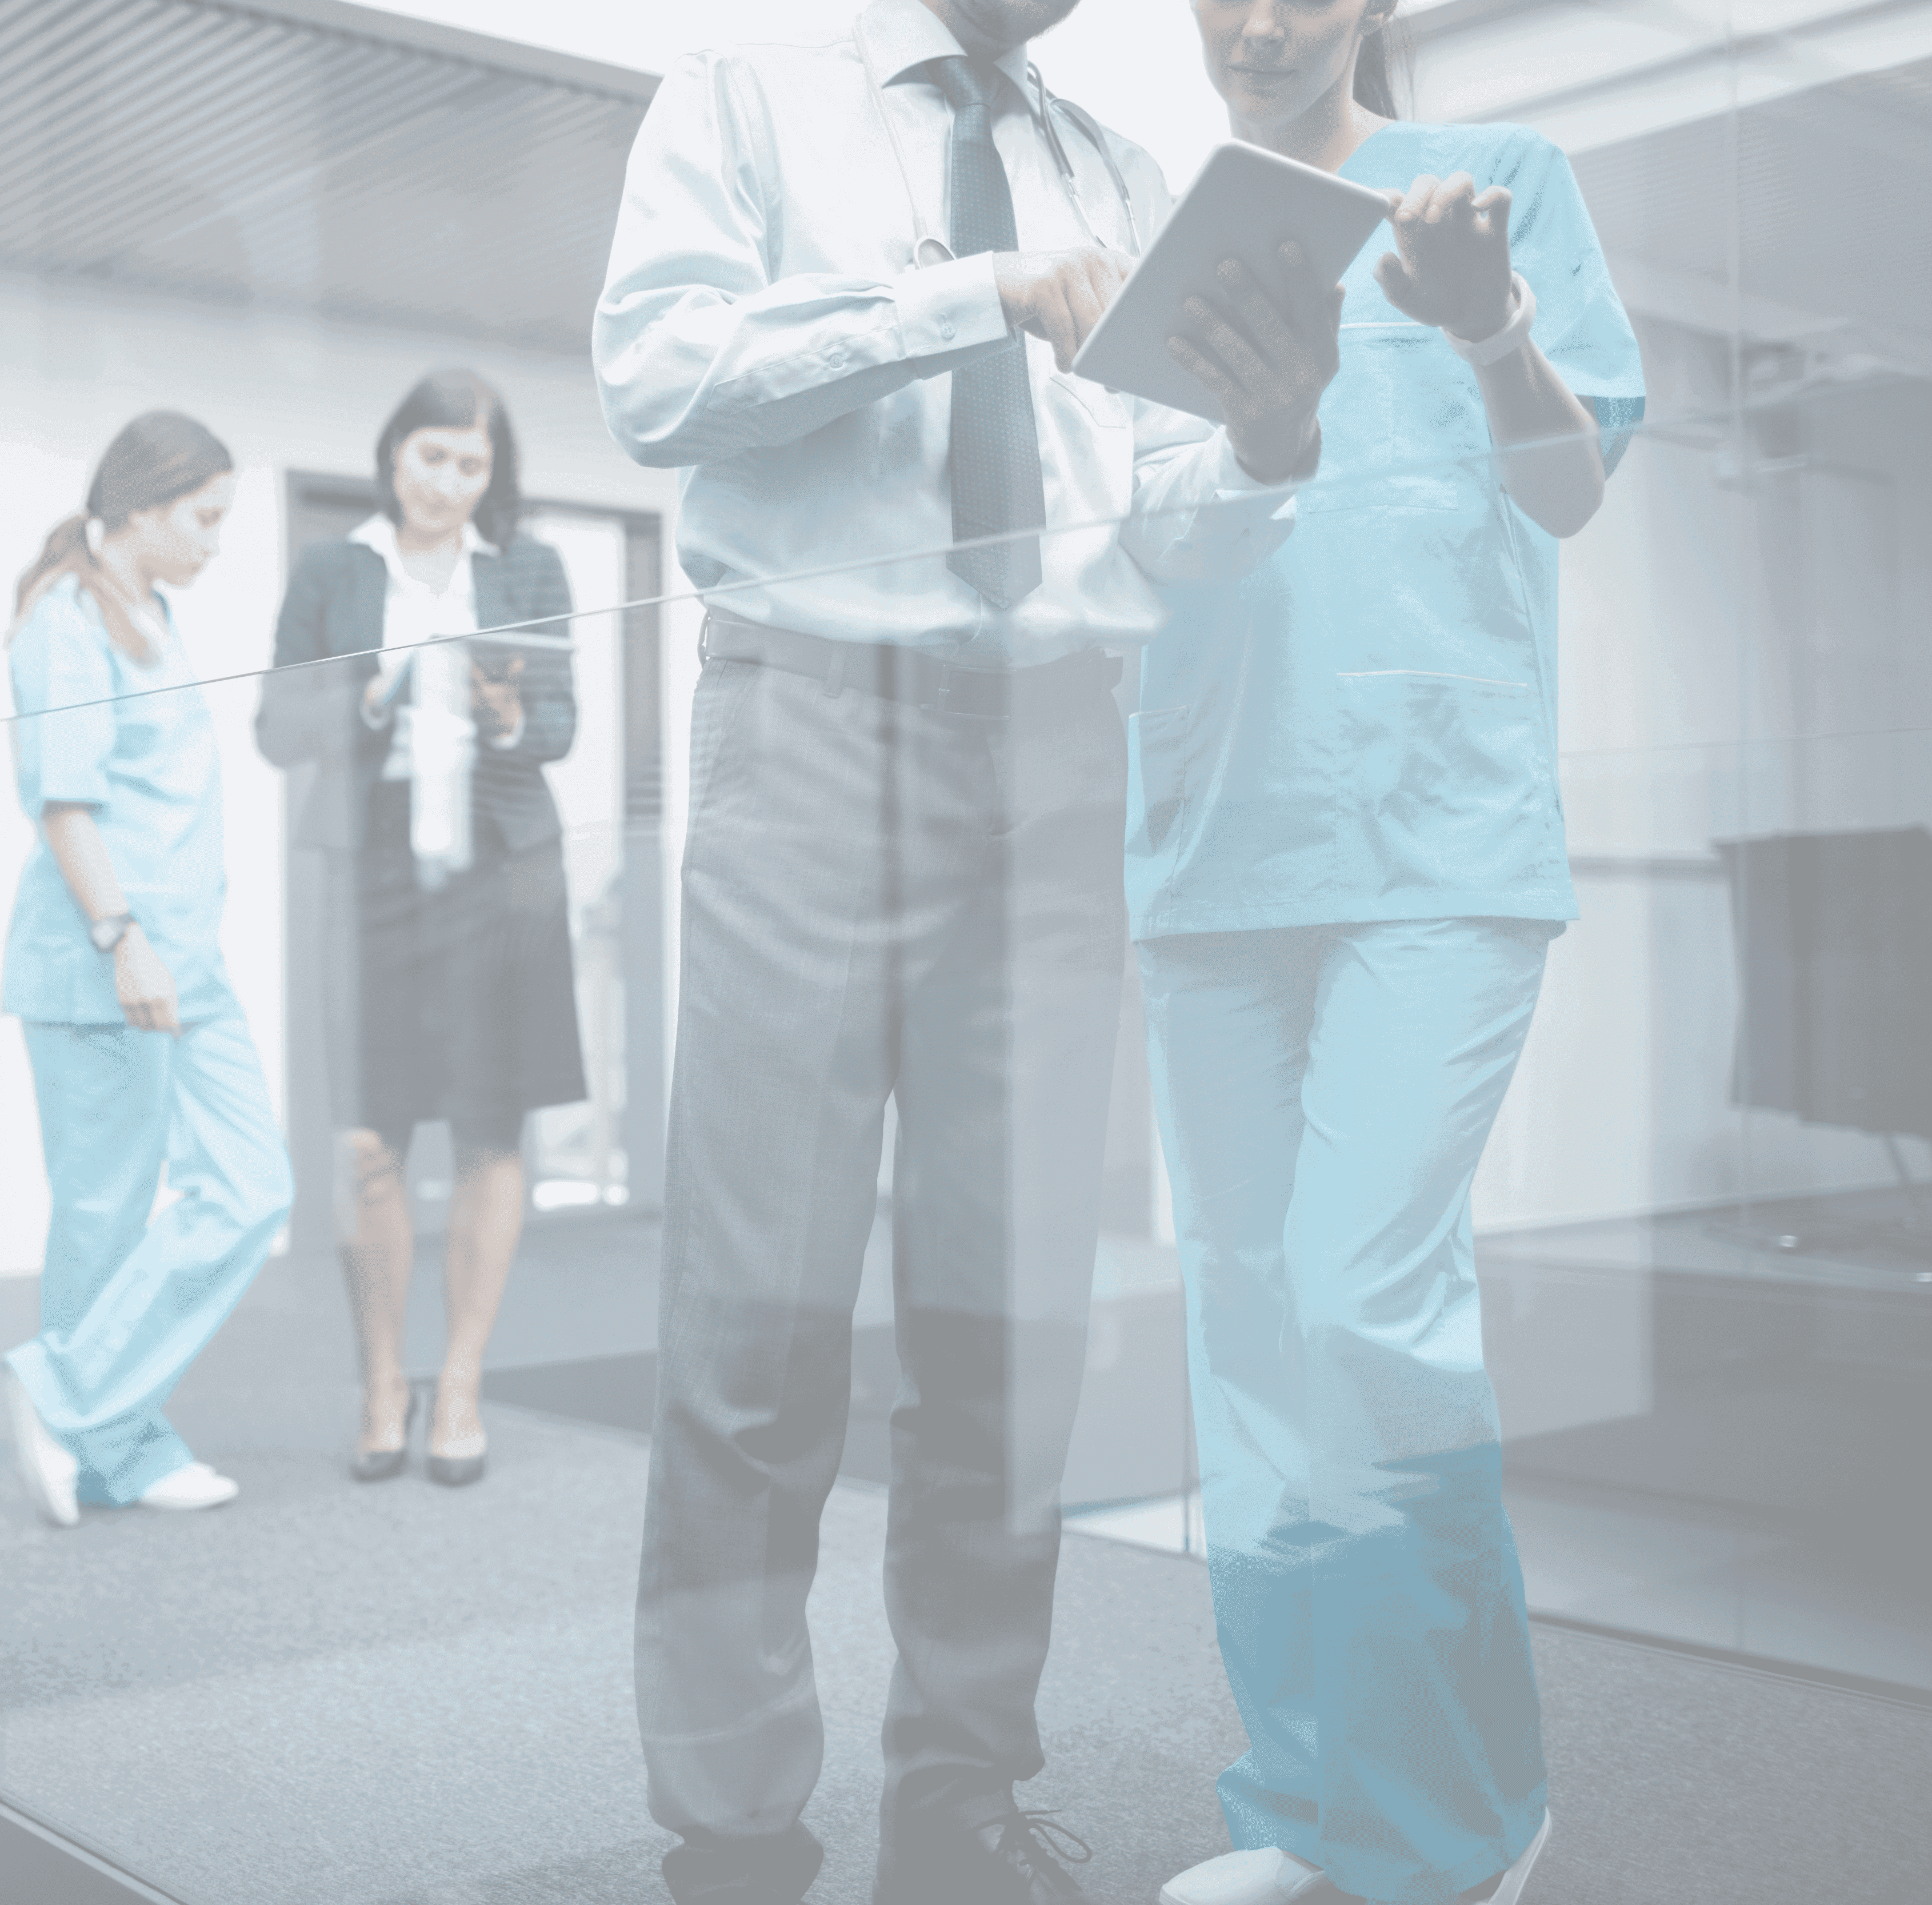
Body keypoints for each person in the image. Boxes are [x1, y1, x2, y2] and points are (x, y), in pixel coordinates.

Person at [594, 1, 1343, 1899]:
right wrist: (973, 294)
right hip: (810, 723)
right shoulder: (748, 94)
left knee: (1008, 1331)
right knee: (755, 1321)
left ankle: (962, 1790)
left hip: (1054, 741)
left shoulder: (1130, 173)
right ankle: (734, 1822)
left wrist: (1268, 439)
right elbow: (658, 376)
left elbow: (1179, 534)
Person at [1129, 5, 1645, 1903]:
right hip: (1202, 848)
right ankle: (1309, 1803)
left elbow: (1572, 489)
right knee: (1256, 1354)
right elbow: (1131, 554)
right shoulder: (1159, 230)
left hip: (1432, 834)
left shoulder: (1495, 191)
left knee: (1366, 1315)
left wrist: (1489, 329)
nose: (1257, 19)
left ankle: (1457, 1828)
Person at [256, 368, 586, 1489]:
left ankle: (459, 1385)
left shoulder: (529, 568)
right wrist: (369, 692)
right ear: (392, 455)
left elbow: (559, 725)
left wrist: (505, 713)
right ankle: (380, 1379)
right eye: (431, 456)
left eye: (472, 464)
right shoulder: (333, 569)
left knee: (494, 1132)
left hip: (502, 867)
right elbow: (274, 725)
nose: (448, 481)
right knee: (367, 1140)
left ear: (494, 475)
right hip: (372, 867)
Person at [0, 411, 295, 1531]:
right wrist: (122, 938)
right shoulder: (65, 620)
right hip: (105, 948)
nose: (217, 541)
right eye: (205, 517)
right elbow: (65, 803)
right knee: (106, 1210)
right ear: (142, 505)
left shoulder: (147, 614)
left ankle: (72, 1398)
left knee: (250, 1183)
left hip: (185, 949)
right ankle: (112, 1442)